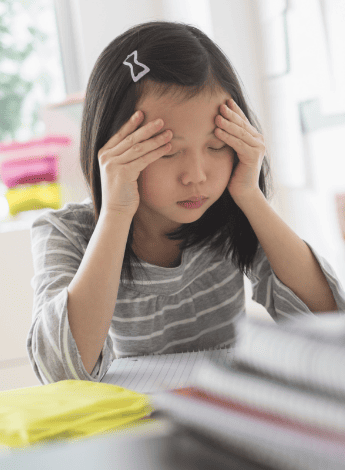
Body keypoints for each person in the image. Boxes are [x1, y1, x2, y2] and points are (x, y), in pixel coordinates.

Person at [27, 21, 345, 384]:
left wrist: (250, 195)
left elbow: (328, 319)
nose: (196, 175)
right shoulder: (66, 233)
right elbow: (60, 371)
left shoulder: (230, 212)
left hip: (223, 409)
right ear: (112, 151)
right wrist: (115, 212)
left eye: (216, 146)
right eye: (168, 152)